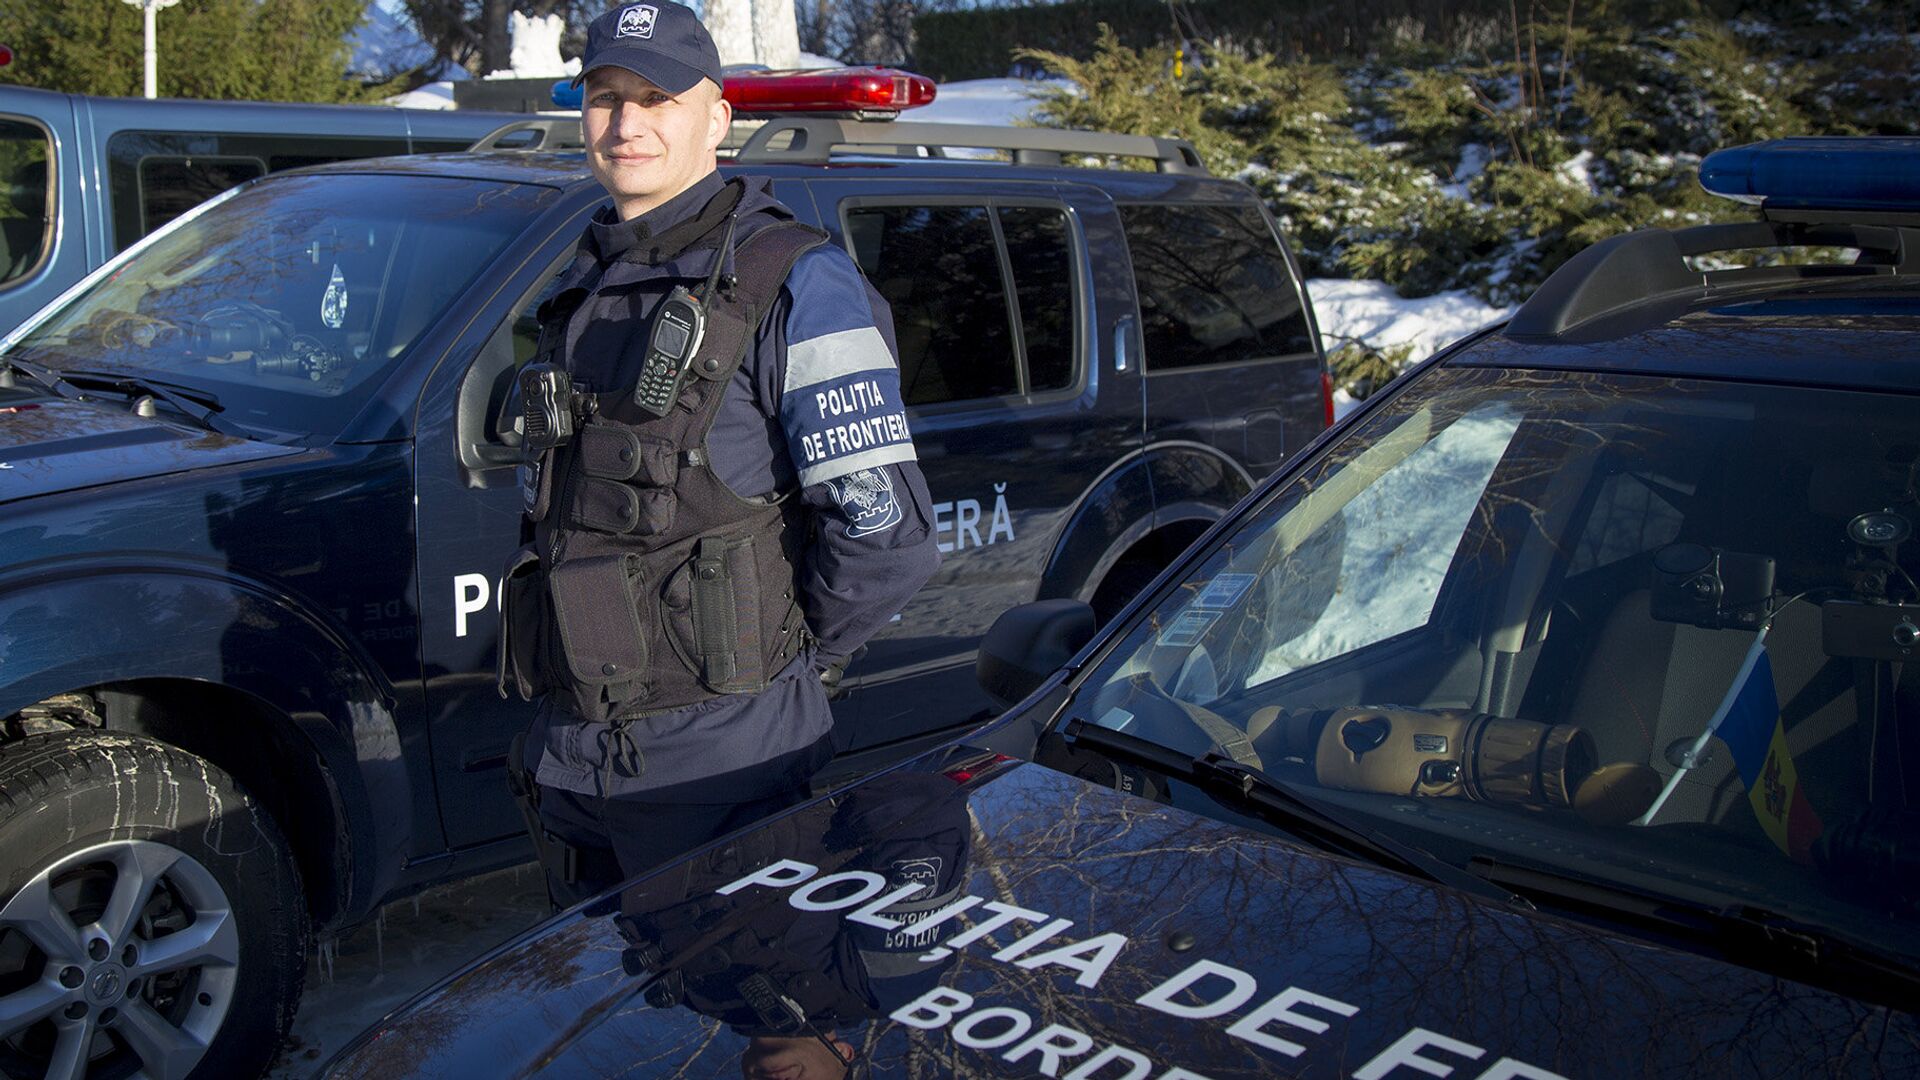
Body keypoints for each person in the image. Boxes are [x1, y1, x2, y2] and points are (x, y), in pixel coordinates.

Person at [499, 0, 939, 908]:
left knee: (735, 995)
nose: (626, 124)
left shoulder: (797, 280)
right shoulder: (586, 277)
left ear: (717, 118)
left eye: (658, 98)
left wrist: (779, 666)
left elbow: (885, 536)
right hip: (575, 765)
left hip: (724, 772)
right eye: (606, 97)